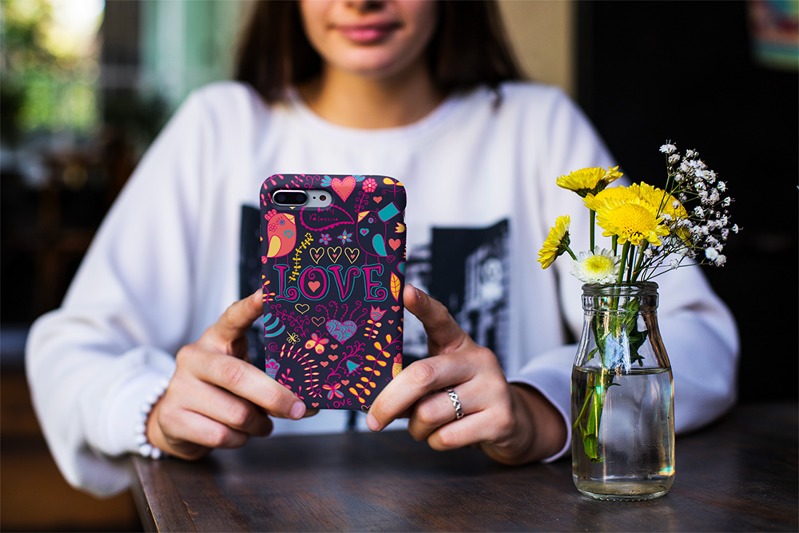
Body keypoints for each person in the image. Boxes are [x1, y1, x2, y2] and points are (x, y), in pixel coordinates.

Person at [26, 0, 739, 497]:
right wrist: (155, 409)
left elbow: (694, 336)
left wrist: (540, 405)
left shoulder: (536, 126)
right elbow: (70, 346)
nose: (361, 1)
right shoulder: (219, 127)